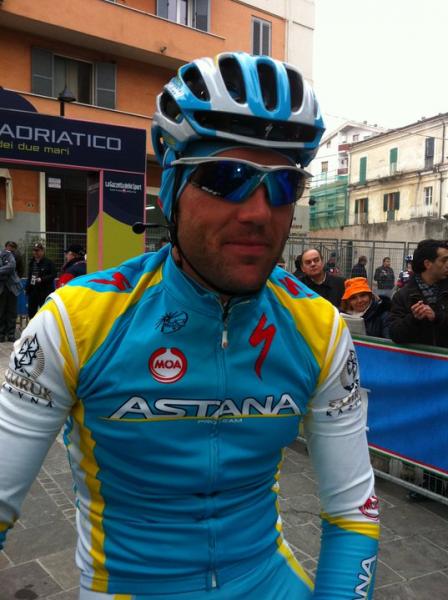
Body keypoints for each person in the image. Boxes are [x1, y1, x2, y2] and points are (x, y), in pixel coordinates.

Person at [0, 52, 378, 600]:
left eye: (282, 186)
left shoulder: (317, 325)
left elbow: (353, 513)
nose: (258, 212)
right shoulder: (76, 321)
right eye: (227, 178)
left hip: (269, 581)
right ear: (172, 192)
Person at [389, 239, 448, 347]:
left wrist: (437, 317)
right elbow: (395, 334)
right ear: (427, 264)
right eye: (444, 260)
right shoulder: (402, 296)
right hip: (417, 357)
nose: (447, 264)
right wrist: (413, 319)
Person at [25, 242, 57, 318]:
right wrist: (27, 289)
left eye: (38, 250)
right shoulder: (32, 262)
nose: (35, 252)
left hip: (45, 291)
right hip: (33, 291)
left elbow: (53, 275)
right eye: (34, 250)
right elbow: (30, 276)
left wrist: (42, 279)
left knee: (45, 312)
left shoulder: (49, 262)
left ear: (42, 251)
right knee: (31, 312)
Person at [0, 245, 23, 342]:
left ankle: (11, 335)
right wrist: (5, 270)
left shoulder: (7, 254)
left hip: (12, 289)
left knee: (12, 313)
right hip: (1, 288)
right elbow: (8, 268)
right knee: (1, 313)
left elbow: (12, 266)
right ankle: (1, 335)